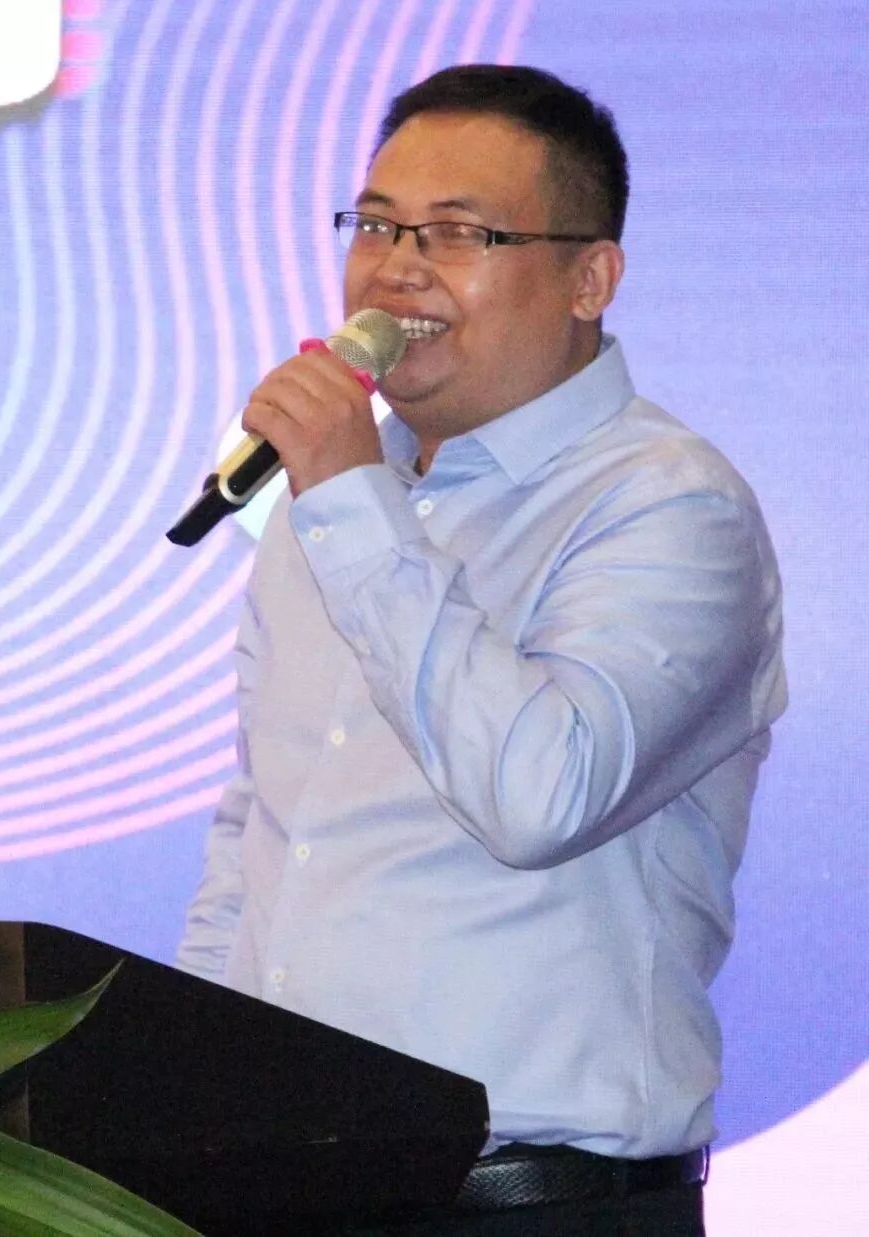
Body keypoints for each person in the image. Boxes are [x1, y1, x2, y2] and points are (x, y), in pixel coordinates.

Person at [176, 64, 786, 1235]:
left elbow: (541, 795)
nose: (396, 268)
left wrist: (350, 500)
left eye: (459, 233)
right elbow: (260, 842)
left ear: (589, 278)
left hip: (532, 1205)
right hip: (275, 1189)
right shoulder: (328, 512)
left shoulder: (668, 506)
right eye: (375, 224)